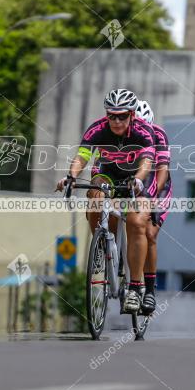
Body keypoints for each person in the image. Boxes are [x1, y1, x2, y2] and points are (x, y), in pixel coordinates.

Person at [56, 88, 156, 314]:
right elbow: (82, 156)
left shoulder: (143, 132)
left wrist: (139, 180)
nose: (116, 120)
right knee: (95, 191)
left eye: (122, 116)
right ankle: (100, 245)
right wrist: (71, 176)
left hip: (134, 177)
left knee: (137, 223)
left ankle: (135, 287)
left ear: (132, 114)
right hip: (108, 172)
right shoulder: (97, 129)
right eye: (112, 115)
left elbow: (147, 162)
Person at [134, 100, 172, 314]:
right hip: (134, 183)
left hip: (158, 184)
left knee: (149, 232)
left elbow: (162, 172)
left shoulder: (159, 134)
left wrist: (152, 199)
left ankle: (149, 291)